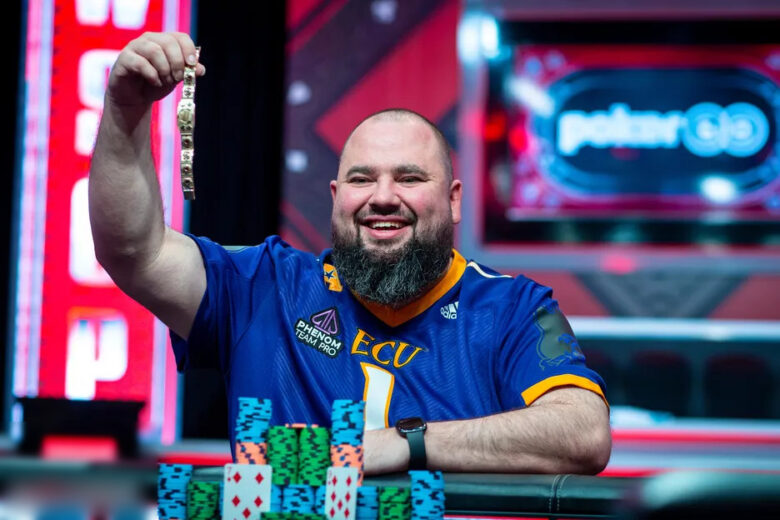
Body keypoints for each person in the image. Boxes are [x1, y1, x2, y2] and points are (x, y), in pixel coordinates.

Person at [89, 32, 611, 475]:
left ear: (453, 201)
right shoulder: (264, 287)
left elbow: (583, 432)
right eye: (363, 179)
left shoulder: (512, 309)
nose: (383, 196)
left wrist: (401, 445)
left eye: (409, 177)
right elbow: (135, 252)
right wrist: (124, 111)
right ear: (337, 199)